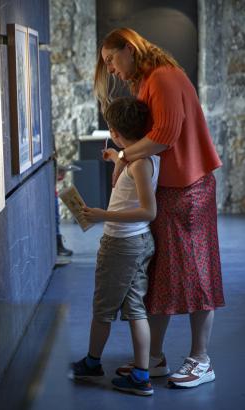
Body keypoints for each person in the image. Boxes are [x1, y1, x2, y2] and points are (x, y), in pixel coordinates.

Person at [94, 27, 224, 388]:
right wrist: (124, 156)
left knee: (199, 274)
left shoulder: (164, 77)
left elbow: (164, 136)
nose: (113, 70)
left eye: (112, 60)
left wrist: (122, 154)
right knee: (160, 274)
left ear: (130, 49)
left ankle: (201, 360)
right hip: (172, 189)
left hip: (190, 189)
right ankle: (154, 357)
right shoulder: (151, 78)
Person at [70, 97, 160, 396]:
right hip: (136, 242)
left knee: (103, 307)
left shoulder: (138, 165)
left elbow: (149, 211)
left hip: (123, 243)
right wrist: (116, 157)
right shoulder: (142, 157)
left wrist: (101, 215)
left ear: (115, 131)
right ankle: (140, 374)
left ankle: (93, 362)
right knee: (135, 308)